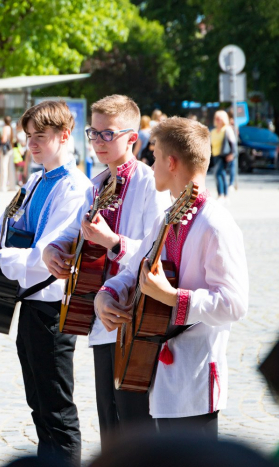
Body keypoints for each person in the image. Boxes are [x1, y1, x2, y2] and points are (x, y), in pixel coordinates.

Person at [0, 101, 92, 465]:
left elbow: (44, 254)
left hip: (52, 305)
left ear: (64, 136)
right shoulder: (37, 178)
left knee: (56, 405)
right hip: (27, 301)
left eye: (40, 137)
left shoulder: (74, 187)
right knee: (37, 401)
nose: (32, 145)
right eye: (28, 137)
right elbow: (9, 224)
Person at [94, 117, 249, 439]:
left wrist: (172, 298)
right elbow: (136, 266)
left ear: (171, 162)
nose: (149, 164)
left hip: (195, 374)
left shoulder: (216, 224)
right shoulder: (169, 216)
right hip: (153, 364)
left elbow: (235, 303)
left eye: (153, 155)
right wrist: (106, 293)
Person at [44, 95, 170, 450]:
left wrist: (113, 241)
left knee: (135, 423)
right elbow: (72, 231)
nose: (98, 142)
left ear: (132, 137)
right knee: (109, 422)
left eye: (107, 134)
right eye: (93, 134)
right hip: (99, 317)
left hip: (132, 316)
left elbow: (155, 248)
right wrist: (54, 249)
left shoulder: (148, 183)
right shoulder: (96, 184)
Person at [209, 110, 236, 202]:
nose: (217, 120)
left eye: (219, 119)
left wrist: (232, 154)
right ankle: (224, 195)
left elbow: (233, 143)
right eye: (216, 118)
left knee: (217, 173)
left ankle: (221, 194)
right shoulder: (212, 131)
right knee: (222, 174)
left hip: (224, 155)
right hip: (215, 155)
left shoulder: (227, 129)